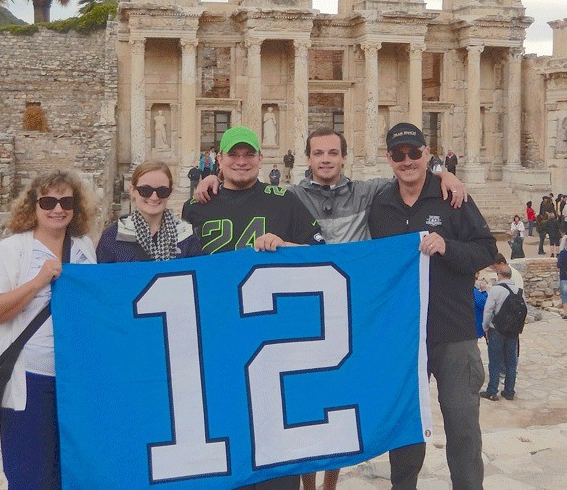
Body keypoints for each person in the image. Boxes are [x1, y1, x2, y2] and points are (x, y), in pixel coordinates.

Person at [195, 125, 467, 490]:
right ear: (308, 158)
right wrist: (208, 179)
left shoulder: (370, 191)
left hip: (350, 307)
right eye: (318, 153)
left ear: (343, 157)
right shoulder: (289, 196)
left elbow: (408, 175)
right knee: (303, 400)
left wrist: (443, 171)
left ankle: (330, 485)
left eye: (332, 153)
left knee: (338, 395)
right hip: (300, 306)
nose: (325, 159)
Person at [182, 125, 325, 490]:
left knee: (278, 459)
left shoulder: (285, 200)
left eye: (249, 155)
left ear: (262, 159)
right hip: (216, 345)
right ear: (220, 160)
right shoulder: (196, 206)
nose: (241, 162)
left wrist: (286, 245)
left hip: (274, 347)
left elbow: (323, 255)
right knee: (224, 449)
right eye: (234, 155)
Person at [368, 122, 497, 490]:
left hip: (453, 333)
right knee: (406, 433)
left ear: (427, 155)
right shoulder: (380, 205)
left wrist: (448, 247)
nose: (407, 160)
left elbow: (487, 249)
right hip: (406, 338)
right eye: (398, 154)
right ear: (389, 159)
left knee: (462, 429)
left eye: (413, 152)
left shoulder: (452, 198)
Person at [0, 171, 98, 489]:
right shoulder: (13, 249)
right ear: (34, 205)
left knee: (70, 472)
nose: (57, 209)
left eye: (66, 201)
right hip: (28, 380)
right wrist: (37, 282)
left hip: (74, 380)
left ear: (76, 206)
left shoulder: (85, 246)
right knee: (29, 474)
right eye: (48, 201)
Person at [97, 160, 201, 263]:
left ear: (170, 192)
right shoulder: (112, 237)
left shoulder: (187, 236)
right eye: (145, 190)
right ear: (132, 191)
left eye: (162, 191)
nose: (154, 197)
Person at [480, 258, 524, 401]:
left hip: (497, 330)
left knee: (495, 361)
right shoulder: (519, 291)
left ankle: (492, 391)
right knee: (511, 362)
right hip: (513, 331)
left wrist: (485, 327)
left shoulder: (496, 290)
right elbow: (525, 310)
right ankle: (509, 391)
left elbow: (488, 311)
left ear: (499, 275)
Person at [558, 235, 567, 319]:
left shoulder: (563, 253)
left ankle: (566, 313)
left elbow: (559, 265)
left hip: (564, 276)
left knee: (565, 295)